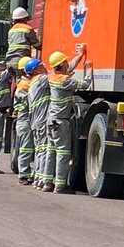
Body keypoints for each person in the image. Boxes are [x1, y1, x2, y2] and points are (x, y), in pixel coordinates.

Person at [42, 47, 90, 192]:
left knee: (51, 151)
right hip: (61, 122)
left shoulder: (52, 76)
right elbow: (85, 84)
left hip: (51, 120)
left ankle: (47, 183)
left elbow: (68, 68)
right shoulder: (65, 80)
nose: (67, 63)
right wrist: (89, 70)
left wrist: (80, 56)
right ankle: (60, 186)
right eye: (65, 62)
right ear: (61, 64)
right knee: (63, 153)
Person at [16, 57, 49, 187]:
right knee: (26, 148)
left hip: (28, 119)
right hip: (25, 120)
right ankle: (23, 175)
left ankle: (30, 174)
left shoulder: (28, 83)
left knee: (31, 148)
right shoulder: (25, 85)